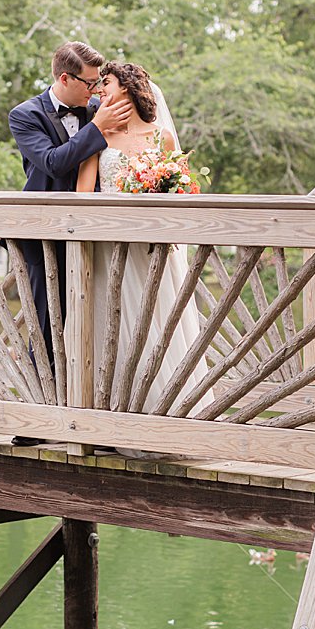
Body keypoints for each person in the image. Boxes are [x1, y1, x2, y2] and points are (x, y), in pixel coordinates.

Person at [75, 60, 205, 415]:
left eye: (108, 83)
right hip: (108, 247)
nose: (101, 90)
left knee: (155, 323)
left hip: (150, 248)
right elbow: (84, 194)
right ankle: (110, 413)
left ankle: (167, 413)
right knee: (112, 324)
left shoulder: (161, 137)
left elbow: (181, 193)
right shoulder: (98, 136)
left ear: (128, 88)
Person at [7, 41, 132, 370]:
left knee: (98, 319)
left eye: (97, 83)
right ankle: (43, 401)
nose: (94, 91)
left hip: (97, 233)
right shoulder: (25, 115)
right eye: (90, 83)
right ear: (65, 78)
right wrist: (97, 128)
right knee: (48, 324)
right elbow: (53, 162)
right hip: (46, 233)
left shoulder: (96, 111)